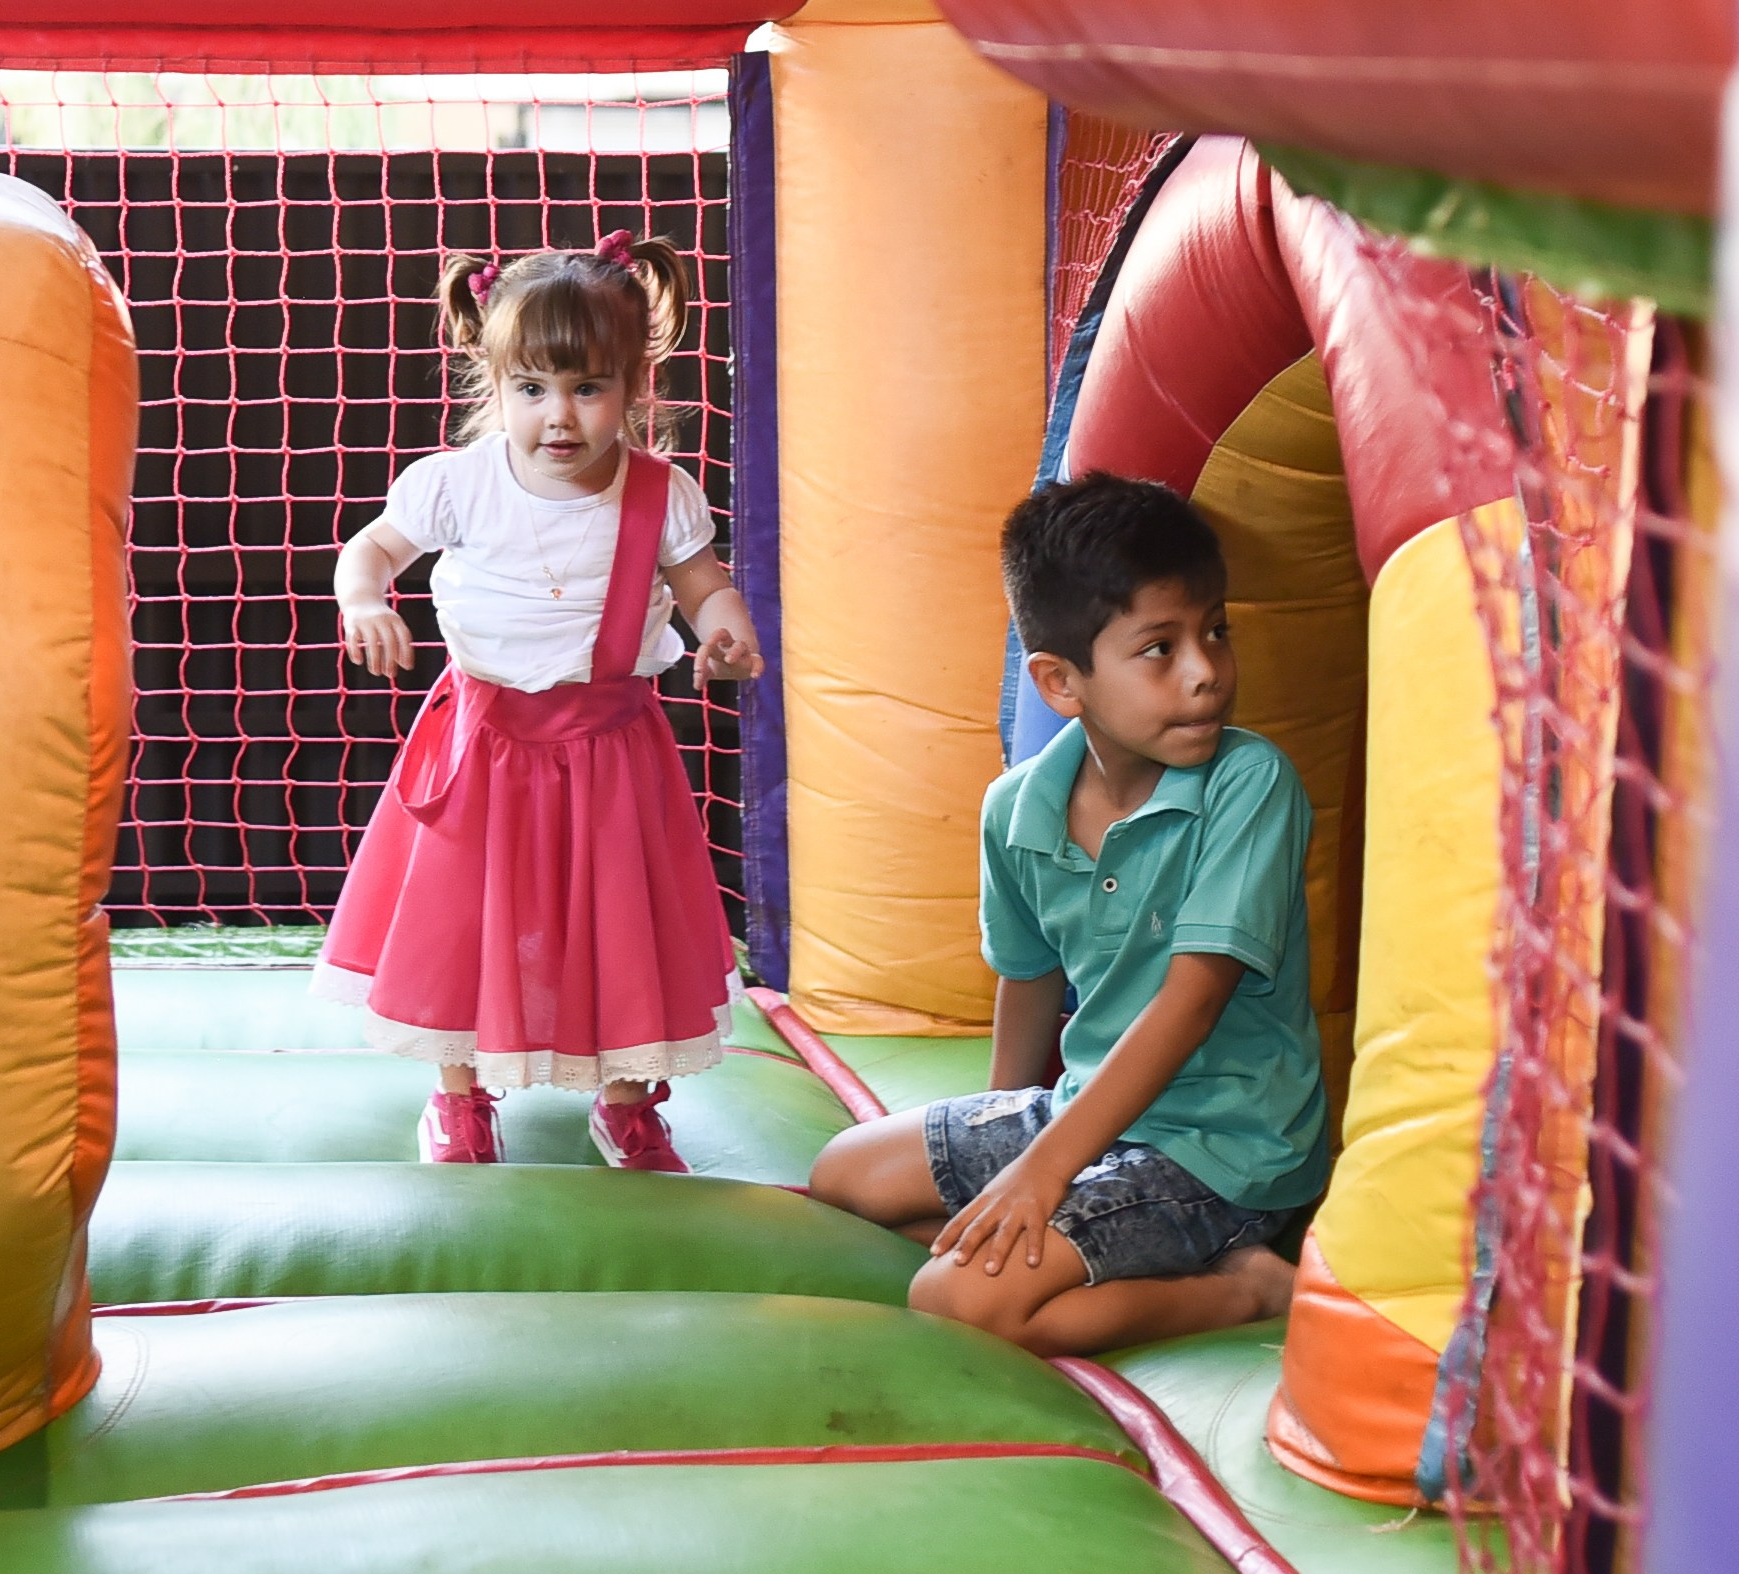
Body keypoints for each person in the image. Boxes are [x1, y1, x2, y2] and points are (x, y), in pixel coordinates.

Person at [809, 472, 1327, 1355]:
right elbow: (1030, 973)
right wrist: (1003, 1134)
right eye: (1160, 648)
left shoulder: (1249, 783)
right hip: (1085, 1110)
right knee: (844, 1177)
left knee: (957, 1303)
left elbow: (1190, 1003)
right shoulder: (1018, 808)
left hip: (1226, 1149)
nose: (1205, 673)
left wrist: (1037, 1177)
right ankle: (1087, 1245)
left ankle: (1240, 1290)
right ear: (1060, 682)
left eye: (1215, 632)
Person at [312, 227, 761, 1174]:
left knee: (620, 920)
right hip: (484, 744)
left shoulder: (660, 494)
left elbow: (702, 583)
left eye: (587, 389)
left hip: (609, 749)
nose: (559, 416)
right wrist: (364, 600)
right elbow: (373, 549)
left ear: (635, 385)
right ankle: (460, 1095)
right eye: (532, 389)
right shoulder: (456, 484)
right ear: (495, 378)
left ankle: (629, 1099)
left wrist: (728, 627)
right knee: (460, 922)